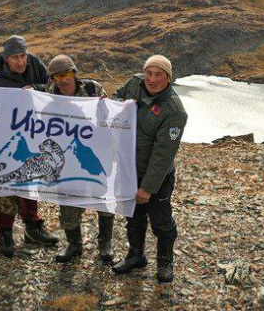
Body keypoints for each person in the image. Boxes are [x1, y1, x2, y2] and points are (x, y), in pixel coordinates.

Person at [110, 55, 187, 284]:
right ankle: (136, 256)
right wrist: (120, 105)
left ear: (168, 78)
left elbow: (163, 156)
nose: (152, 79)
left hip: (156, 177)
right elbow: (115, 97)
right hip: (129, 169)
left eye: (159, 74)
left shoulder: (174, 111)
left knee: (161, 222)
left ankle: (165, 262)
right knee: (133, 217)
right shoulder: (134, 83)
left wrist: (147, 188)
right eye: (149, 73)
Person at [0, 35, 59, 255]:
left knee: (31, 182)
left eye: (23, 56)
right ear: (6, 58)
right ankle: (5, 233)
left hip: (35, 136)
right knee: (9, 186)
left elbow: (53, 86)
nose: (20, 62)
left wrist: (36, 88)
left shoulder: (36, 66)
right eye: (14, 58)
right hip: (9, 142)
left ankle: (32, 227)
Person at [45, 54, 115, 264]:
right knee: (68, 204)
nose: (63, 80)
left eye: (66, 74)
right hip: (68, 162)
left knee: (103, 202)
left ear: (74, 73)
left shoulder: (93, 89)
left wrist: (105, 108)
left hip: (97, 157)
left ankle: (105, 244)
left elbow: (110, 119)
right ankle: (74, 244)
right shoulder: (50, 98)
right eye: (57, 76)